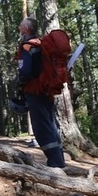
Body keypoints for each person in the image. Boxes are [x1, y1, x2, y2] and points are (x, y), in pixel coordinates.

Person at [16, 17, 65, 168]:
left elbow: (26, 70)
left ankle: (55, 164)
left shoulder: (27, 46)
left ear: (26, 29)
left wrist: (20, 83)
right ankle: (59, 160)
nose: (19, 27)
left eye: (21, 25)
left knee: (41, 127)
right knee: (50, 124)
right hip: (46, 89)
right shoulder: (41, 44)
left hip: (34, 90)